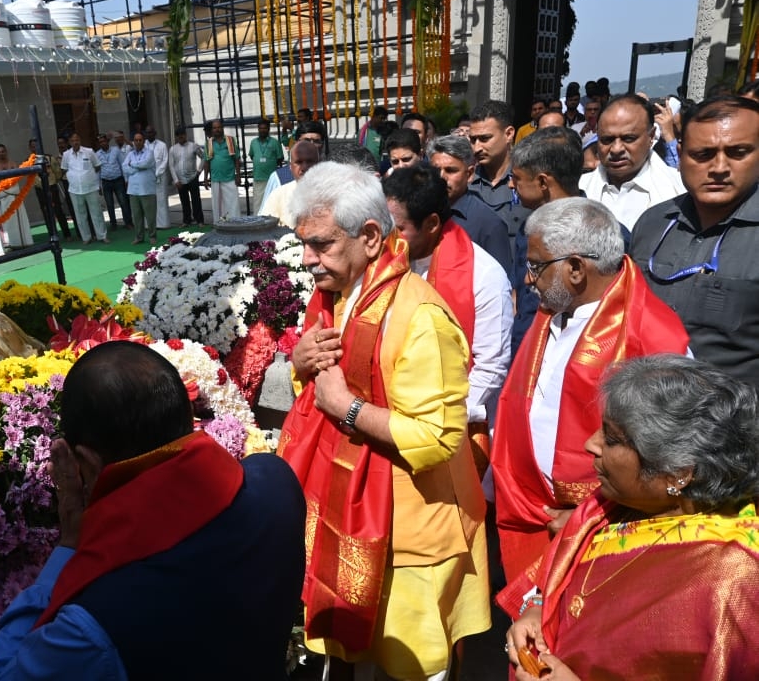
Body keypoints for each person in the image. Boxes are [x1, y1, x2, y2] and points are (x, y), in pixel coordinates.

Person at [0, 341, 307, 680]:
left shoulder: (91, 626)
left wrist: (68, 546)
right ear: (184, 415)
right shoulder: (275, 481)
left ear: (86, 462)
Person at [278, 161, 490, 681]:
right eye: (303, 243)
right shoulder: (334, 297)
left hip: (412, 530)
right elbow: (318, 388)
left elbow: (438, 439)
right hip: (349, 510)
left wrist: (344, 408)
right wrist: (300, 364)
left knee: (411, 667)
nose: (307, 260)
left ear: (370, 237)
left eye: (321, 244)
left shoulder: (419, 316)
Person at [501, 355, 759, 681]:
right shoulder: (608, 508)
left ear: (677, 474)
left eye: (612, 439)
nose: (590, 444)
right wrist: (537, 611)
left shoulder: (735, 582)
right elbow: (556, 586)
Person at [491, 198, 690, 582]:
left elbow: (671, 467)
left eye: (536, 267)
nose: (528, 280)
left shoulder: (653, 337)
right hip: (532, 511)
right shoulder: (554, 311)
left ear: (576, 269)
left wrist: (591, 518)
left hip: (606, 531)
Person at [383, 164, 513, 479]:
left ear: (431, 223)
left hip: (449, 428)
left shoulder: (484, 275)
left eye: (398, 228)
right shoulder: (385, 259)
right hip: (384, 420)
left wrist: (432, 418)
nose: (389, 237)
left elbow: (491, 367)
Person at [630, 95, 759, 388]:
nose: (719, 167)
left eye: (738, 153)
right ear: (679, 153)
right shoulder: (652, 223)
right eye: (702, 154)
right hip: (644, 418)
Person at [507, 126, 586, 353]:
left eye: (517, 178)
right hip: (525, 354)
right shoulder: (528, 228)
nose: (511, 185)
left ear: (543, 182)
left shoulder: (598, 235)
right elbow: (520, 294)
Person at [580, 94, 685, 231]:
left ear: (651, 136)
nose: (616, 149)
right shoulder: (579, 188)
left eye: (628, 138)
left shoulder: (679, 190)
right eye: (607, 140)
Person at [426, 134, 513, 278]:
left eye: (451, 170)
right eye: (436, 170)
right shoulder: (421, 213)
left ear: (470, 173)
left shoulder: (489, 223)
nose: (441, 177)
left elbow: (501, 281)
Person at [468, 100, 531, 253]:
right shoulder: (466, 182)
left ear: (508, 134)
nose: (477, 148)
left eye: (484, 139)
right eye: (472, 140)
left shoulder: (529, 181)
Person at [259, 120, 326, 205]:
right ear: (296, 143)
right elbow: (267, 214)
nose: (311, 145)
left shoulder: (332, 175)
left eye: (316, 141)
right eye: (307, 140)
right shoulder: (279, 178)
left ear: (322, 145)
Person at [60, 133, 109, 246]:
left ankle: (102, 235)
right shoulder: (66, 155)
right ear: (70, 142)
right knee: (80, 215)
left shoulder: (89, 151)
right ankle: (86, 237)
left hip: (91, 187)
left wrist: (87, 177)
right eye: (73, 140)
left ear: (80, 140)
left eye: (77, 140)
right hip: (75, 189)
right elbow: (64, 169)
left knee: (96, 213)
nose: (75, 142)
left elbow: (97, 166)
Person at [260, 139, 320, 228]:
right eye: (299, 162)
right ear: (290, 167)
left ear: (319, 164)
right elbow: (264, 229)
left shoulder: (333, 193)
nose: (304, 167)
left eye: (309, 162)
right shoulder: (279, 194)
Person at [123, 132, 158, 245]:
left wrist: (132, 165)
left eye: (140, 140)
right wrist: (136, 167)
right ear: (133, 141)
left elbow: (146, 164)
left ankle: (152, 235)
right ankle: (139, 237)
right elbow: (124, 167)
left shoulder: (150, 153)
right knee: (137, 216)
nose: (138, 142)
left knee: (150, 215)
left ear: (144, 141)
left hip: (147, 189)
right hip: (133, 190)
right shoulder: (130, 154)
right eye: (136, 140)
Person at [202, 119, 241, 222]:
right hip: (216, 179)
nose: (217, 130)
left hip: (230, 178)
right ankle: (220, 225)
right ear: (212, 130)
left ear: (222, 128)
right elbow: (206, 162)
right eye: (214, 128)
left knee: (233, 204)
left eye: (219, 127)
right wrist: (205, 178)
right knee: (217, 205)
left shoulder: (230, 140)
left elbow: (236, 159)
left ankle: (235, 224)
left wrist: (238, 175)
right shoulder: (209, 143)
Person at [168, 128, 205, 226]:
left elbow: (203, 157)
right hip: (180, 180)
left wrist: (199, 171)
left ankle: (199, 220)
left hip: (192, 177)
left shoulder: (193, 146)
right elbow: (171, 165)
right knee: (184, 201)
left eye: (182, 134)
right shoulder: (172, 149)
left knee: (196, 200)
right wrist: (176, 180)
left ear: (185, 135)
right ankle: (186, 221)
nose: (181, 136)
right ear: (176, 137)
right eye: (178, 135)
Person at [96, 133, 132, 229]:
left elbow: (122, 164)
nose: (102, 143)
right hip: (106, 182)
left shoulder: (115, 150)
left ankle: (128, 222)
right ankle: (113, 224)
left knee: (123, 202)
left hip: (118, 180)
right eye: (100, 142)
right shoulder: (97, 154)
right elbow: (97, 171)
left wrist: (126, 179)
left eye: (104, 141)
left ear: (107, 141)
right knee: (109, 204)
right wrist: (98, 185)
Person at [247, 119, 284, 213]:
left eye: (265, 128)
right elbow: (252, 156)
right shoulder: (253, 142)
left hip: (271, 178)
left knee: (272, 202)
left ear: (268, 129)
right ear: (258, 129)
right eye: (260, 128)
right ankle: (257, 221)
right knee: (258, 202)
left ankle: (271, 222)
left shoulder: (275, 142)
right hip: (258, 177)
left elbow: (280, 158)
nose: (262, 130)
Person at [144, 125, 170, 229]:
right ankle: (149, 224)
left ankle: (163, 224)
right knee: (148, 201)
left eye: (151, 132)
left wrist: (157, 173)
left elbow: (165, 160)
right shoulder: (143, 144)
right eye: (147, 132)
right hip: (147, 177)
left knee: (161, 200)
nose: (149, 134)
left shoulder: (162, 145)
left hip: (160, 176)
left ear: (155, 133)